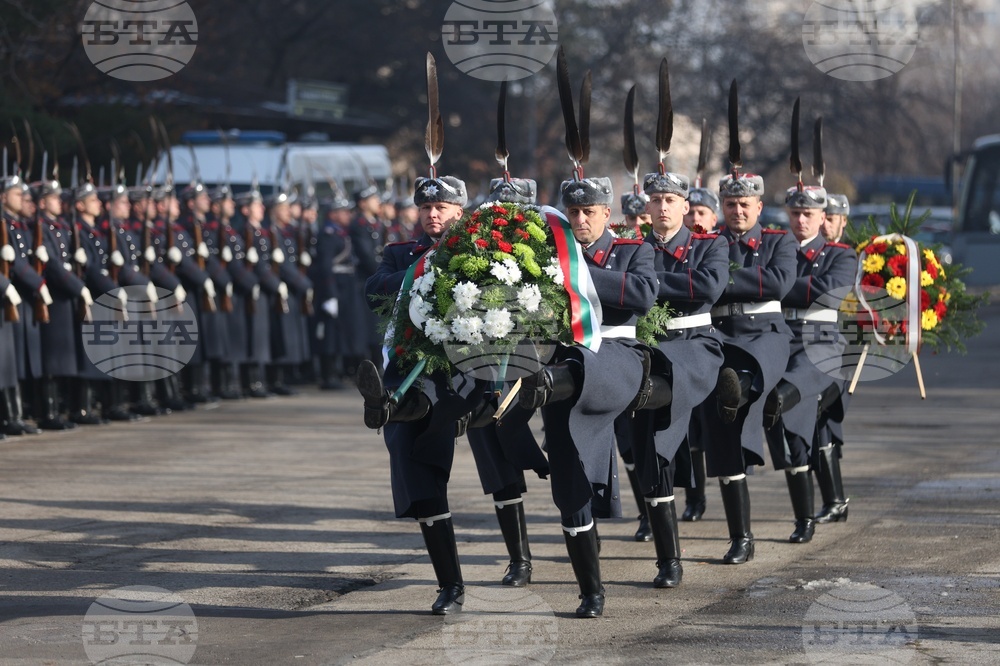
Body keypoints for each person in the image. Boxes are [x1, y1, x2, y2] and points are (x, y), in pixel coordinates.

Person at [515, 175, 657, 617]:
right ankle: (590, 592)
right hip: (562, 363)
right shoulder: (550, 256)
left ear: (607, 214)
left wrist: (579, 275)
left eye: (589, 212)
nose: (580, 219)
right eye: (573, 212)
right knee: (568, 476)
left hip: (617, 353)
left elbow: (642, 295)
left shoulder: (634, 250)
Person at [357, 174, 482, 615]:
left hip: (462, 369)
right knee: (419, 475)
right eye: (426, 207)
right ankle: (450, 586)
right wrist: (419, 272)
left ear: (459, 212)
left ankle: (391, 407)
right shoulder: (400, 254)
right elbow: (374, 289)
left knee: (425, 410)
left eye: (443, 207)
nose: (433, 214)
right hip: (410, 364)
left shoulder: (479, 253)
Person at [628, 169, 728, 587]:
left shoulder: (710, 244)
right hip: (647, 350)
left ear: (686, 206)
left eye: (671, 200)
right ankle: (669, 561)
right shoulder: (631, 248)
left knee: (660, 433)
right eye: (656, 200)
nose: (663, 206)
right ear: (646, 207)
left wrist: (647, 284)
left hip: (693, 347)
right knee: (649, 453)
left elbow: (707, 286)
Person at [696, 171, 797, 564]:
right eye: (730, 205)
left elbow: (779, 283)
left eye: (744, 205)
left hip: (766, 334)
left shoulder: (778, 240)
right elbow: (702, 286)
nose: (737, 211)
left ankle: (748, 390)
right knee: (722, 435)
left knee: (742, 386)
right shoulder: (710, 241)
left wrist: (724, 278)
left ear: (758, 206)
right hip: (720, 336)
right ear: (722, 206)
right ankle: (741, 537)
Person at [464, 177, 549, 588]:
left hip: (548, 351)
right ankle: (519, 559)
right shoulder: (472, 243)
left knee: (571, 444)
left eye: (515, 208)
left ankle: (583, 527)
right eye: (500, 207)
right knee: (492, 440)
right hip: (490, 356)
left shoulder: (553, 240)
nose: (508, 216)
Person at [763, 185, 857, 543]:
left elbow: (830, 289)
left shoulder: (841, 254)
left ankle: (819, 509)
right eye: (795, 214)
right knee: (783, 427)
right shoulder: (775, 249)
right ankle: (812, 509)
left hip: (822, 344)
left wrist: (776, 283)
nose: (801, 220)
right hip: (779, 338)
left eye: (808, 214)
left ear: (822, 218)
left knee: (811, 421)